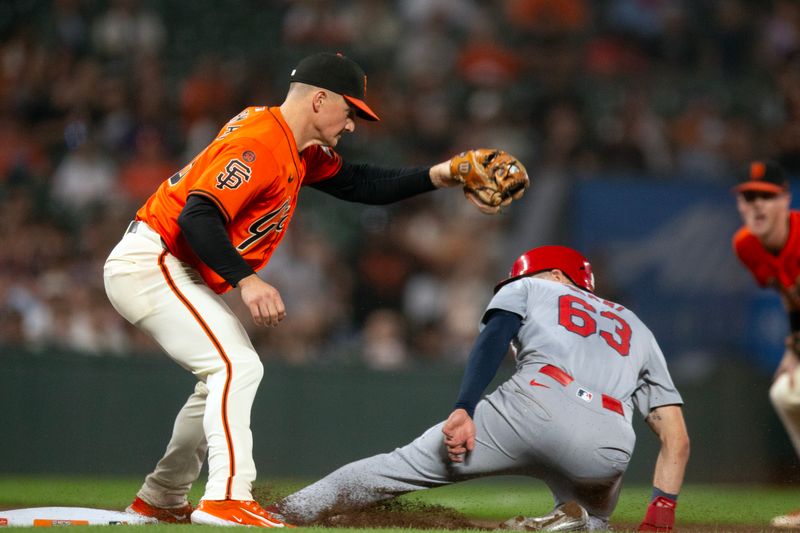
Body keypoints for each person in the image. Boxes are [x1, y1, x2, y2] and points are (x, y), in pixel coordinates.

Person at [103, 52, 524, 528]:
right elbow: (197, 214)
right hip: (153, 260)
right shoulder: (262, 142)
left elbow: (360, 183)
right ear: (320, 99)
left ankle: (162, 496)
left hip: (172, 264)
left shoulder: (296, 147)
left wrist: (443, 173)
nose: (352, 125)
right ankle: (225, 498)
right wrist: (247, 280)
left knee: (222, 376)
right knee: (235, 366)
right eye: (350, 111)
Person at [271, 245, 690, 532]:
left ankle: (286, 512)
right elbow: (677, 438)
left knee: (398, 467)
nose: (513, 281)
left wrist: (464, 407)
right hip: (609, 440)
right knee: (597, 518)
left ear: (558, 274)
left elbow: (494, 336)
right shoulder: (636, 326)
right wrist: (661, 509)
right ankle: (579, 518)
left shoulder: (532, 286)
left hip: (534, 404)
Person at [732, 160, 800, 529]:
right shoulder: (747, 246)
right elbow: (790, 294)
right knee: (786, 394)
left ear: (786, 200)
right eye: (748, 196)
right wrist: (793, 349)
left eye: (767, 197)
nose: (756, 205)